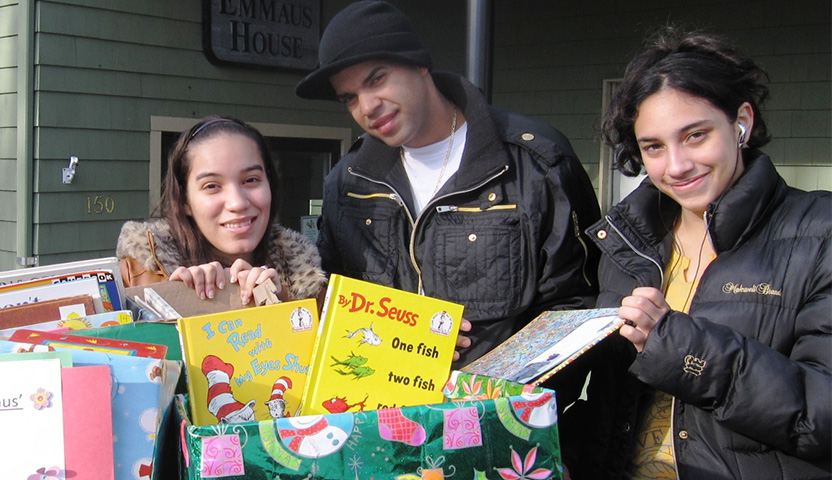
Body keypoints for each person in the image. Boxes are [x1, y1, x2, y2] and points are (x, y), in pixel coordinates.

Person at [565, 27, 831, 479]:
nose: (677, 166)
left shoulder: (818, 233)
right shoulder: (627, 243)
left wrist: (678, 345)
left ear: (741, 121)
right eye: (654, 146)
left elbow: (821, 418)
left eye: (695, 135)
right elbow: (609, 402)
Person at [295, 1, 601, 367]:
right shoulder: (347, 183)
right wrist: (403, 343)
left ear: (420, 63)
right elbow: (331, 303)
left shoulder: (536, 164)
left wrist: (501, 403)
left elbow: (573, 308)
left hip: (499, 415)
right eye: (349, 98)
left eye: (376, 79)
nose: (367, 106)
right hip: (380, 417)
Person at [116, 116, 327, 306]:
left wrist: (283, 306)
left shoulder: (312, 288)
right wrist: (176, 301)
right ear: (184, 200)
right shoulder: (132, 281)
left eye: (251, 180)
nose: (237, 203)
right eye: (211, 186)